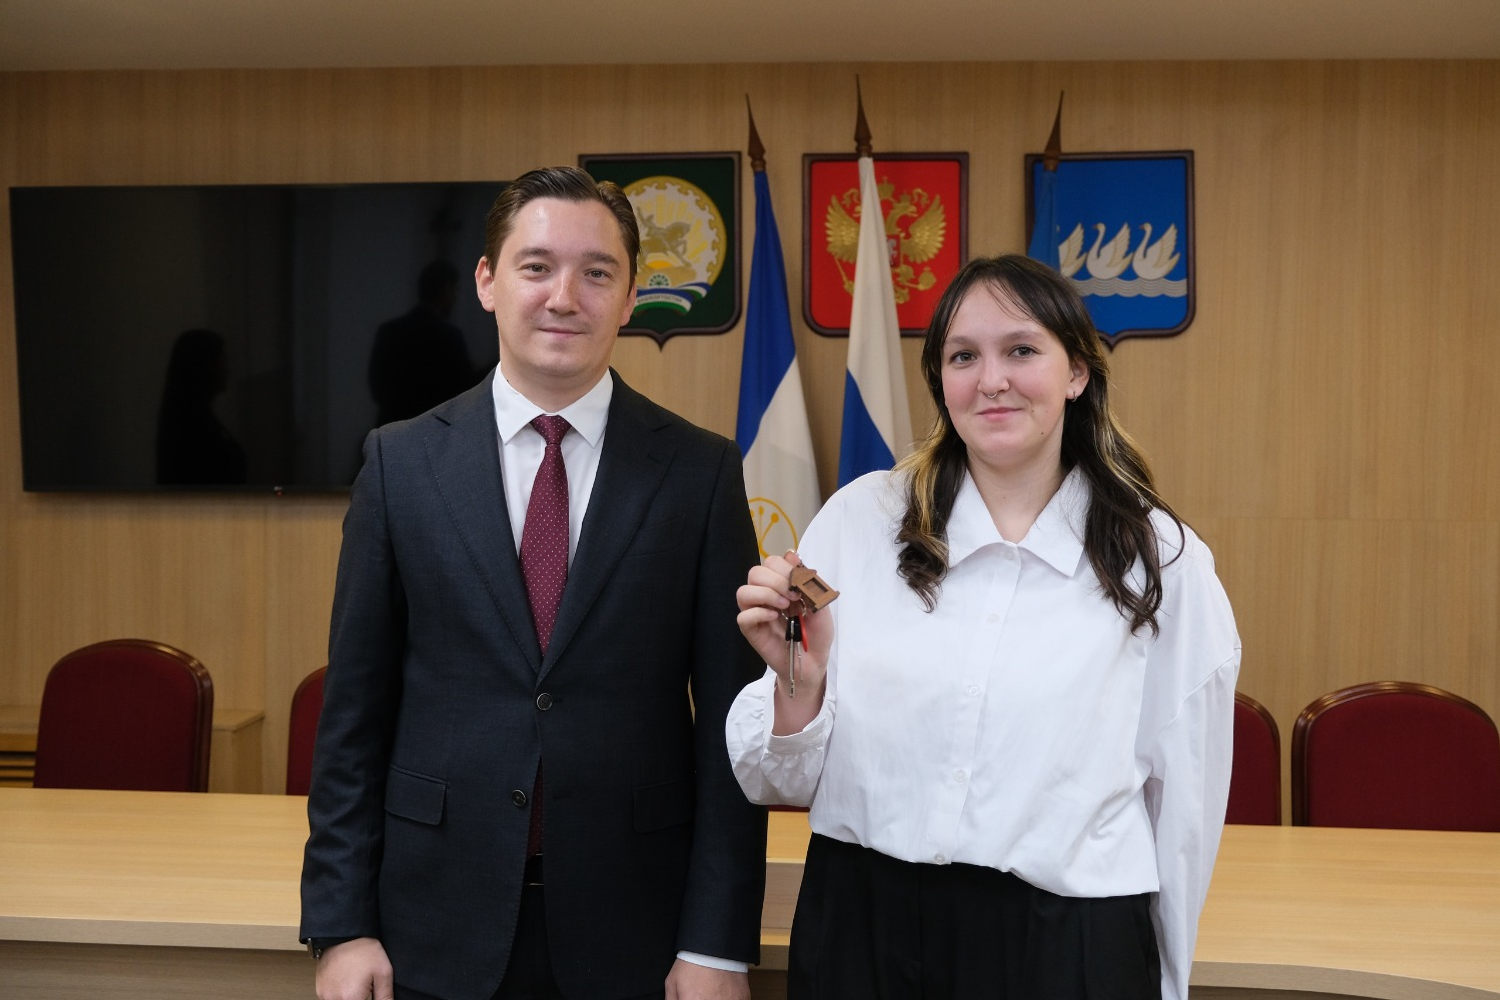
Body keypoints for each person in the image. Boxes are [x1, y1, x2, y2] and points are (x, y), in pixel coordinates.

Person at [301, 166, 767, 1000]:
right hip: (430, 924)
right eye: (537, 266)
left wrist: (718, 944)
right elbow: (354, 718)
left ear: (630, 298)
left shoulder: (699, 472)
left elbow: (731, 730)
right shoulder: (400, 464)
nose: (565, 297)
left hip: (636, 930)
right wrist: (342, 925)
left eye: (598, 272)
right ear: (488, 281)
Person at [728, 254, 1240, 1000]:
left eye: (1021, 350)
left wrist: (1168, 979)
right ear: (940, 380)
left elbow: (1185, 804)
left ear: (1077, 372)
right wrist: (796, 688)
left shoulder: (1161, 561)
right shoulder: (859, 522)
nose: (991, 380)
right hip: (863, 928)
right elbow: (775, 780)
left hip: (1070, 944)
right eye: (963, 356)